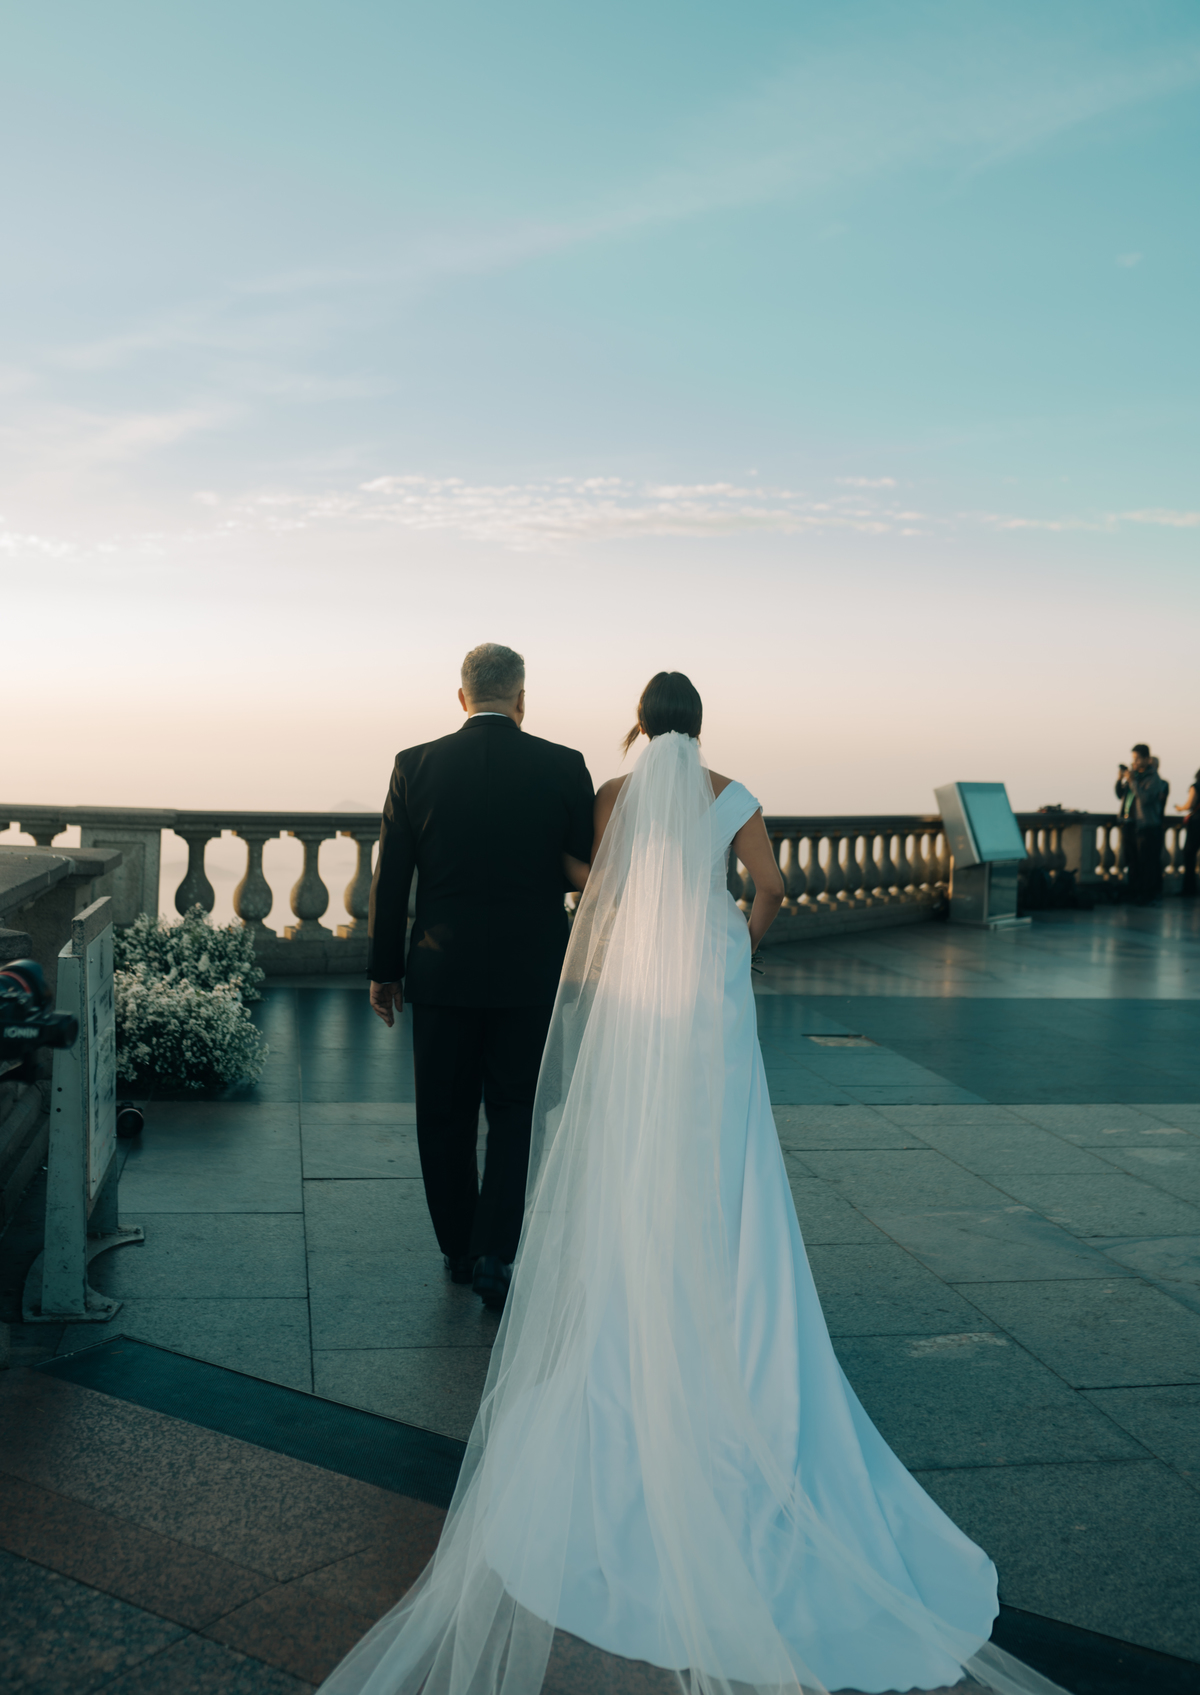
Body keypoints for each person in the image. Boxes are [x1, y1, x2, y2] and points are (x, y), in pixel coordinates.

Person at [326, 673, 1066, 1695]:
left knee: (631, 1132)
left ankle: (635, 1280)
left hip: (642, 978)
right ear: (701, 723)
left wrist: (603, 891)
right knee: (726, 1140)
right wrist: (735, 937)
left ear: (639, 722)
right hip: (709, 978)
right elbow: (772, 888)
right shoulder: (736, 795)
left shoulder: (614, 795)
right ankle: (731, 1282)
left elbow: (591, 875)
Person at [366, 643, 594, 1312]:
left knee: (443, 1112)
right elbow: (586, 869)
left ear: (461, 696)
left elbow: (391, 879)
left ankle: (460, 1248)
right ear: (522, 698)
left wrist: (384, 970)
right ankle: (498, 1248)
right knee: (518, 1109)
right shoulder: (564, 764)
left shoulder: (415, 765)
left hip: (442, 969)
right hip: (532, 970)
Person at [1115, 745, 1169, 904]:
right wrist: (1120, 779)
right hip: (1129, 823)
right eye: (1134, 759)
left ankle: (1146, 894)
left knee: (1146, 862)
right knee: (1131, 861)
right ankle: (1134, 892)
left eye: (1138, 759)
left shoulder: (1153, 778)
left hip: (1145, 825)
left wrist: (1132, 781)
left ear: (1147, 759)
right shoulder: (1135, 777)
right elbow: (1120, 794)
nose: (1135, 762)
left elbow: (1145, 799)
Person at [1177, 770, 1200, 898]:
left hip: (1196, 823)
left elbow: (1190, 804)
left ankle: (1189, 888)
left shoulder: (1196, 786)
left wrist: (1179, 808)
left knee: (1189, 855)